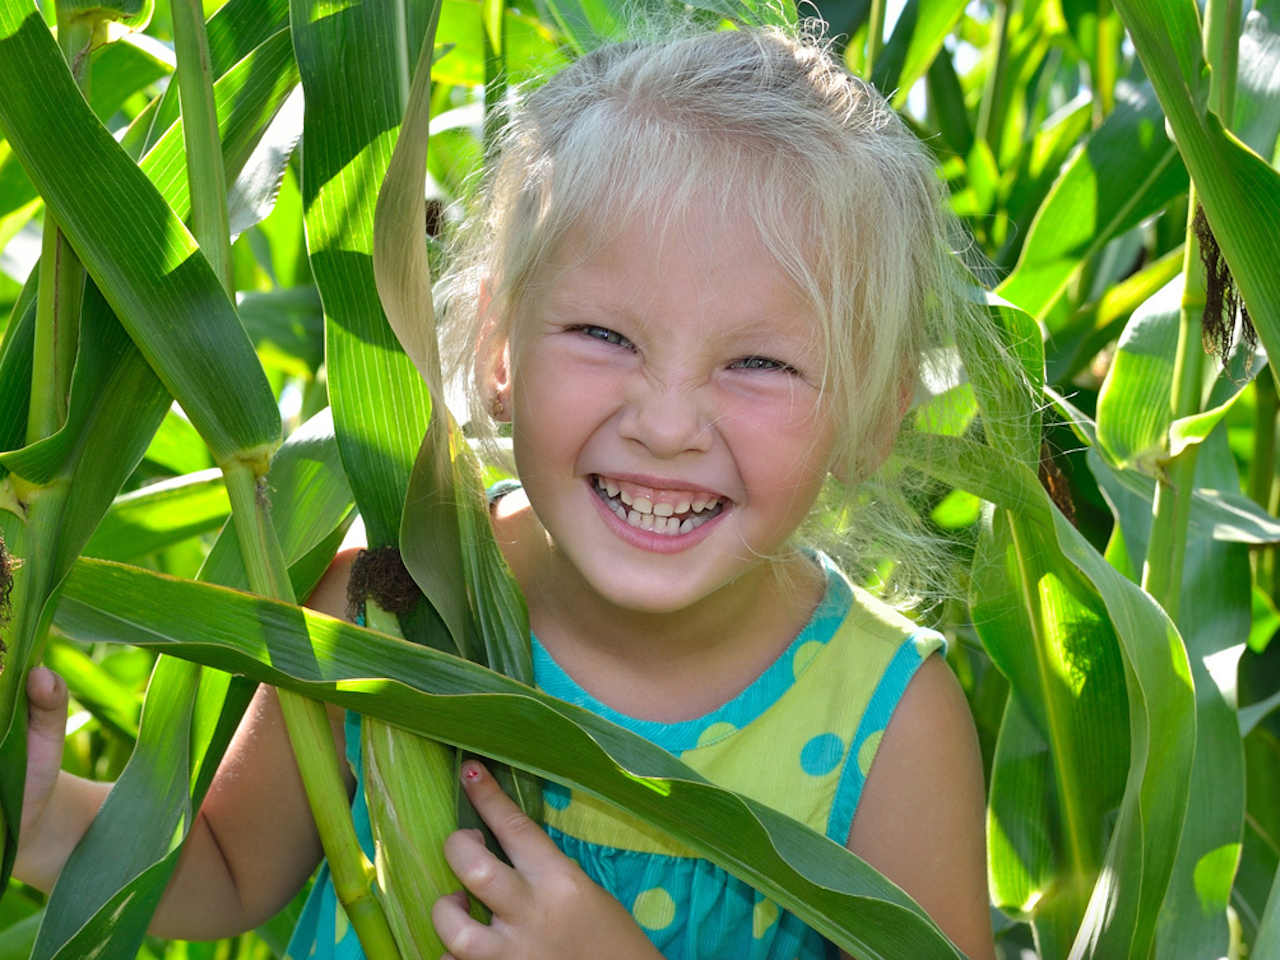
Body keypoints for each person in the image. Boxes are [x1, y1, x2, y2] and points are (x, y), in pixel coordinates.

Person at [16, 21, 1001, 960]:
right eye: (604, 337)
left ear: (876, 414)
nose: (663, 423)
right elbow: (225, 871)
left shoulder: (886, 721)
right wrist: (41, 814)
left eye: (757, 363)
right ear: (496, 347)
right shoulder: (393, 610)